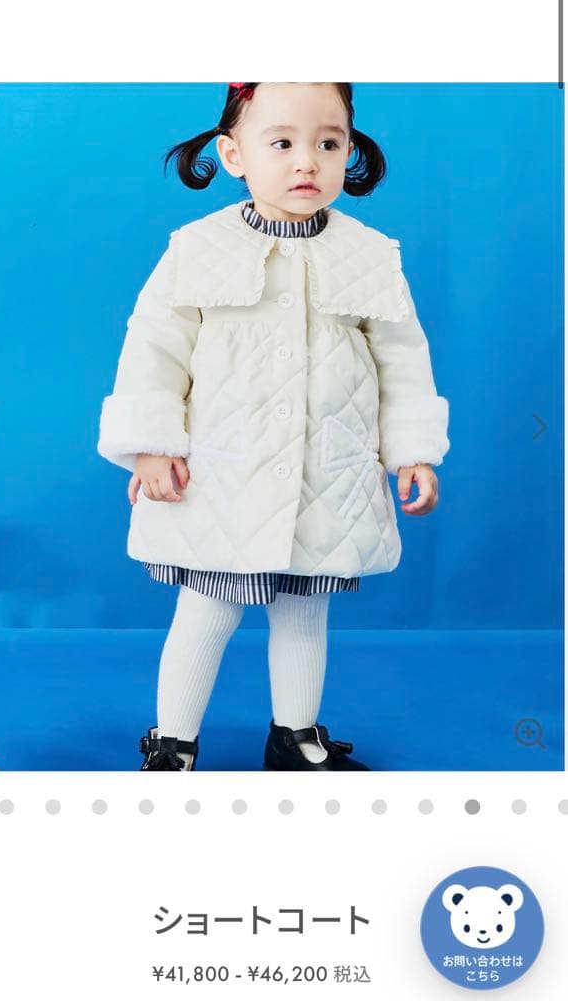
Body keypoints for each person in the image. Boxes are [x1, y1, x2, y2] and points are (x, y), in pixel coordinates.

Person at [97, 82, 450, 772]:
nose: (306, 162)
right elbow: (153, 350)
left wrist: (413, 452)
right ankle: (173, 742)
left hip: (327, 474)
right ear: (233, 154)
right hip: (221, 474)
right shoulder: (198, 248)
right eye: (282, 142)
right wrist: (149, 446)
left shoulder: (369, 255)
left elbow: (404, 360)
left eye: (328, 143)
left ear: (349, 152)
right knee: (206, 609)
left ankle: (295, 737)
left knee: (304, 612)